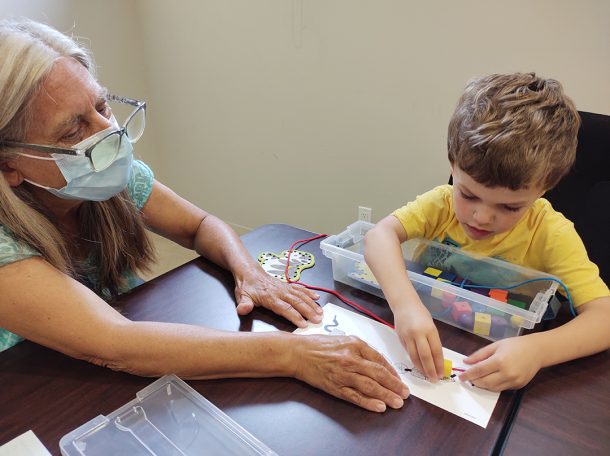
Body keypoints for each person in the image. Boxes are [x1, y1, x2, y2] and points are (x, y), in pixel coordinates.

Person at [0, 18, 408, 413]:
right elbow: (115, 344)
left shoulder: (111, 176)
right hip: (37, 400)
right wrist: (296, 355)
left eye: (102, 106)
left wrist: (250, 272)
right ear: (9, 165)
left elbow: (200, 226)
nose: (107, 134)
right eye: (72, 133)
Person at [364, 72, 610, 391]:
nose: (481, 217)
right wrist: (406, 306)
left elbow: (603, 317)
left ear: (545, 187)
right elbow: (379, 236)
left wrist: (537, 351)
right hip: (433, 329)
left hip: (500, 350)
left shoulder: (552, 233)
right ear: (453, 164)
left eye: (509, 207)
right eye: (468, 195)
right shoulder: (440, 204)